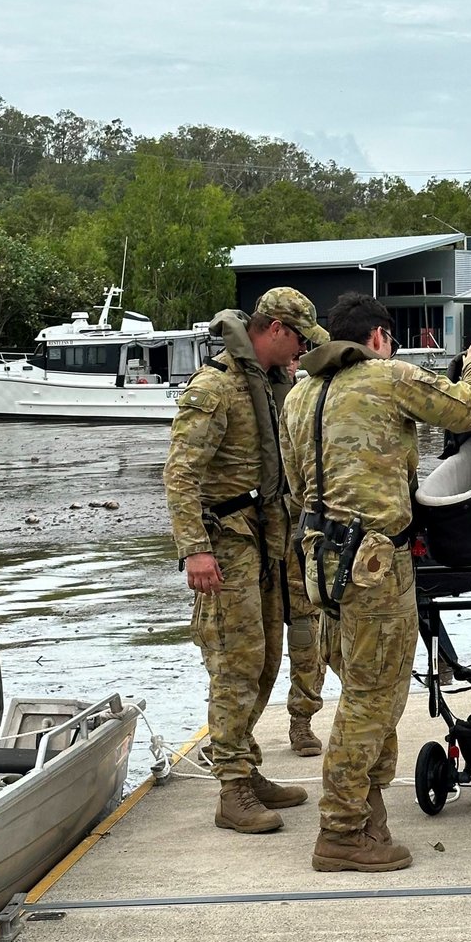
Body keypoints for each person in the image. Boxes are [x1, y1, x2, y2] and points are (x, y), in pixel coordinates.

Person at [280, 292, 471, 871]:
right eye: (391, 340)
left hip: (320, 561)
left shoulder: (298, 394)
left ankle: (370, 812)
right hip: (375, 562)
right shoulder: (388, 377)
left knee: (363, 689)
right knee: (372, 698)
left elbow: (296, 488)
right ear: (377, 337)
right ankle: (341, 830)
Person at [163, 286, 329, 835]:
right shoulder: (215, 387)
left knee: (265, 660)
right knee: (235, 664)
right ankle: (231, 788)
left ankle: (245, 766)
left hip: (267, 541)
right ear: (275, 328)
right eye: (299, 338)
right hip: (226, 543)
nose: (302, 349)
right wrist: (195, 549)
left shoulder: (273, 384)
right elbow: (180, 474)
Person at [284, 354, 327, 757]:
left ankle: (302, 718)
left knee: (306, 632)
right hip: (255, 537)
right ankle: (232, 736)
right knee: (244, 649)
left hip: (302, 532)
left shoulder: (310, 396)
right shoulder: (242, 392)